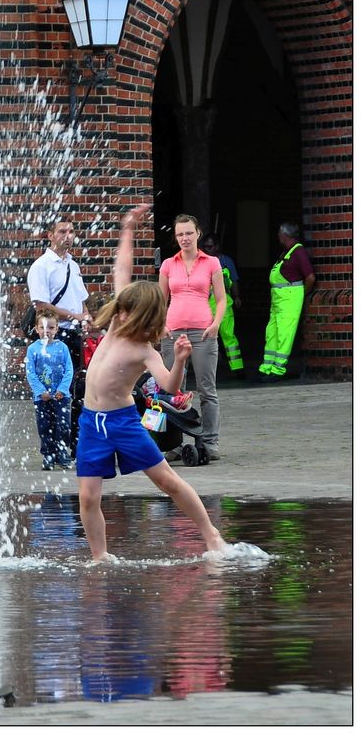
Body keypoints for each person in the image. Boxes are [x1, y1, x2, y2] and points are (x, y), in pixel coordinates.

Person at [76, 205, 225, 562]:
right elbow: (122, 271)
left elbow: (171, 389)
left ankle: (212, 535)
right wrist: (128, 228)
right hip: (90, 421)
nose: (119, 310)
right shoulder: (114, 327)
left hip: (123, 422)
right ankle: (100, 557)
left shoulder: (144, 350)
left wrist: (182, 359)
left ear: (140, 314)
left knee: (167, 481)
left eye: (126, 308)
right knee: (87, 497)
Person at [158, 215, 226, 462]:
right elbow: (160, 300)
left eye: (188, 233)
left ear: (198, 233)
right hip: (173, 333)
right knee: (173, 391)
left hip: (203, 332)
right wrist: (161, 326)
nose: (184, 238)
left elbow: (221, 299)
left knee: (207, 389)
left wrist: (216, 324)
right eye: (179, 234)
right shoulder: (168, 264)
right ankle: (175, 443)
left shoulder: (212, 263)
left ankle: (210, 441)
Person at [26, 216, 91, 370]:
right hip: (53, 333)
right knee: (52, 383)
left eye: (71, 231)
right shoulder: (41, 266)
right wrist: (76, 317)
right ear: (51, 236)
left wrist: (86, 318)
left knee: (72, 380)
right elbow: (41, 307)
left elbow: (81, 300)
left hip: (74, 333)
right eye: (62, 231)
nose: (68, 235)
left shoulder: (73, 266)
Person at [259, 222, 315, 380]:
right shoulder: (287, 251)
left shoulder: (298, 251)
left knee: (285, 333)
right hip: (278, 297)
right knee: (272, 332)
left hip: (289, 297)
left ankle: (277, 370)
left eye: (279, 233)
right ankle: (267, 367)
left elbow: (310, 277)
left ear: (285, 235)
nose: (277, 235)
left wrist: (300, 294)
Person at [25, 310, 74, 470]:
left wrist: (62, 389)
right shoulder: (33, 349)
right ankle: (48, 455)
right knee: (44, 426)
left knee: (63, 425)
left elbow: (69, 370)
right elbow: (30, 372)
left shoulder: (63, 348)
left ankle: (62, 453)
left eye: (51, 327)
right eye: (43, 327)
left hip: (62, 396)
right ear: (37, 329)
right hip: (42, 398)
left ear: (57, 329)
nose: (47, 331)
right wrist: (40, 391)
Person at [70, 293, 110, 460]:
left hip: (105, 380)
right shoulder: (81, 338)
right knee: (80, 408)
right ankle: (77, 445)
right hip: (87, 380)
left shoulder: (108, 338)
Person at [200, 232, 244, 377]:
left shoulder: (226, 261)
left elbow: (234, 280)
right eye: (205, 247)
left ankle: (237, 368)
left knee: (228, 336)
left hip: (224, 304)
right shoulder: (199, 262)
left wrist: (237, 296)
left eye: (211, 246)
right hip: (204, 305)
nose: (208, 249)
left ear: (217, 246)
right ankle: (206, 370)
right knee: (204, 338)